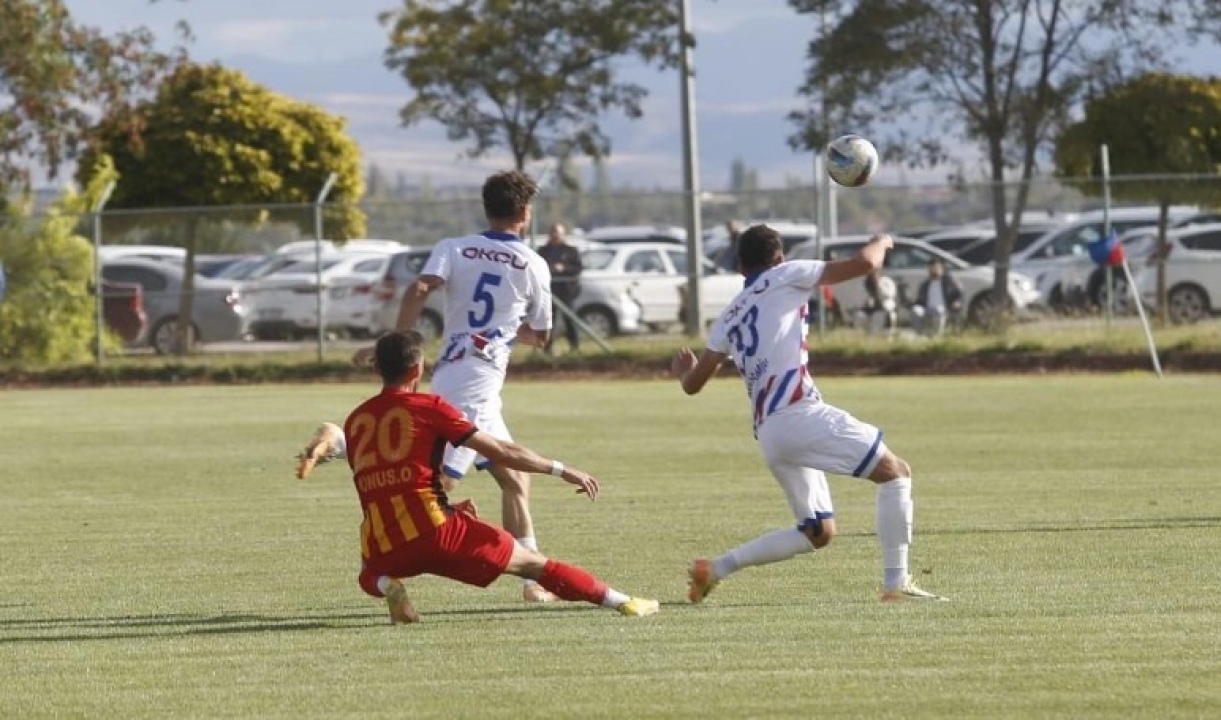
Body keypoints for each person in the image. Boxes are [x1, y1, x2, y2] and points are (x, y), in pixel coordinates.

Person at [297, 169, 561, 603]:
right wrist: (507, 330)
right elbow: (541, 335)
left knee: (515, 480)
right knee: (439, 482)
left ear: (487, 207)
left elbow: (420, 287)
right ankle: (344, 441)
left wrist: (392, 342)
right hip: (477, 380)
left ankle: (534, 581)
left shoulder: (453, 247)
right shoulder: (533, 264)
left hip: (457, 370)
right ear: (525, 213)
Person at [670, 224, 947, 603]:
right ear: (779, 259)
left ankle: (715, 568)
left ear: (740, 268)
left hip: (770, 433)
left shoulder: (730, 315)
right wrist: (882, 240)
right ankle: (895, 584)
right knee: (896, 473)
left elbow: (693, 384)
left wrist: (683, 370)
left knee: (818, 532)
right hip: (798, 413)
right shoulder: (787, 274)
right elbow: (866, 263)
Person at [343, 330, 658, 623]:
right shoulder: (431, 407)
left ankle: (387, 585)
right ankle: (622, 601)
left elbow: (390, 482)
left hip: (385, 542)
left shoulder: (355, 420)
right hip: (439, 531)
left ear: (377, 369)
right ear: (417, 370)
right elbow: (501, 451)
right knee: (534, 565)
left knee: (367, 574)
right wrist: (560, 469)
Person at [536, 222, 582, 353]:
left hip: (566, 291)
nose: (555, 235)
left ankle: (575, 348)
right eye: (553, 232)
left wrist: (564, 268)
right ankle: (547, 349)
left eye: (558, 233)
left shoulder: (571, 251)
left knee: (570, 320)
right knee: (549, 321)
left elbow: (577, 269)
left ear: (563, 234)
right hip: (549, 291)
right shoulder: (543, 251)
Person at [911, 259, 963, 336]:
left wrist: (957, 302)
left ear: (942, 269)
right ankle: (921, 334)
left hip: (944, 309)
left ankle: (936, 336)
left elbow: (958, 295)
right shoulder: (925, 285)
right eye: (932, 268)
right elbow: (920, 300)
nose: (934, 270)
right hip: (927, 309)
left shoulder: (950, 283)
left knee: (938, 310)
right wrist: (913, 304)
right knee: (915, 310)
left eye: (937, 268)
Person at [856, 267, 898, 335]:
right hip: (870, 308)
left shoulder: (886, 281)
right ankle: (866, 335)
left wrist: (877, 285)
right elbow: (862, 298)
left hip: (885, 306)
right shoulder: (866, 283)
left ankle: (886, 332)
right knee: (860, 316)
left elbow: (890, 294)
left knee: (881, 315)